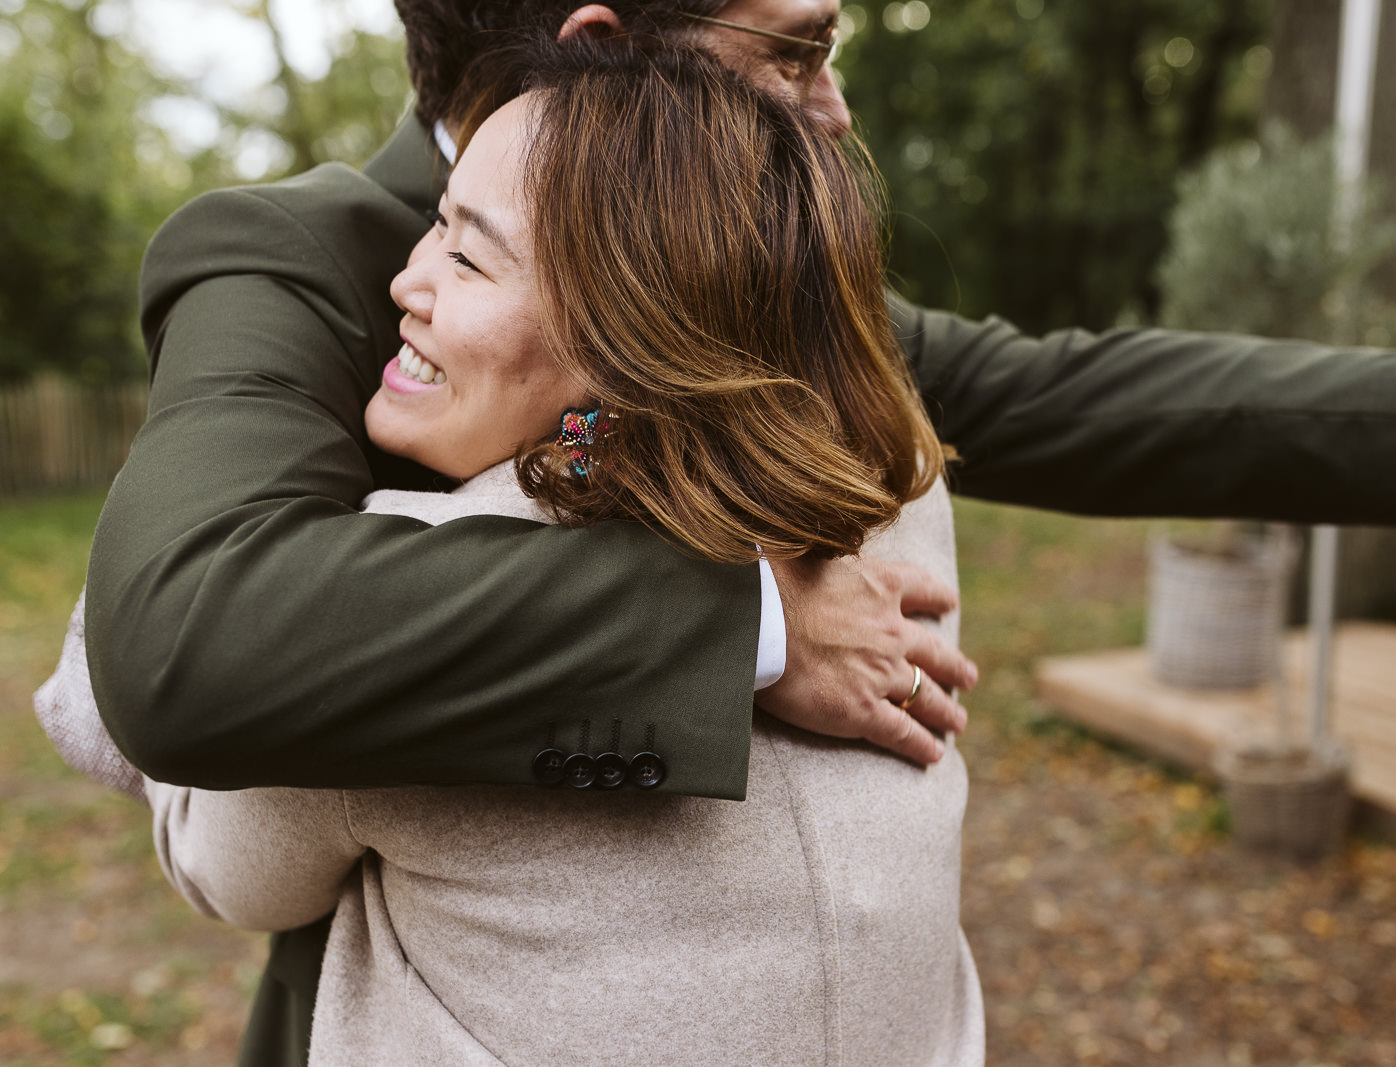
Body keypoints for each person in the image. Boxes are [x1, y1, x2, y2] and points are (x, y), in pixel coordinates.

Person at [70, 1, 1396, 1062]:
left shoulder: (752, 300)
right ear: (607, 49)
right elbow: (194, 633)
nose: (834, 104)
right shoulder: (290, 259)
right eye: (798, 52)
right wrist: (753, 620)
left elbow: (1072, 395)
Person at [148, 40, 980, 1064]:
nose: (406, 279)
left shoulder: (407, 590)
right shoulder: (901, 493)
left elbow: (227, 869)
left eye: (468, 257)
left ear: (628, 345)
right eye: (435, 225)